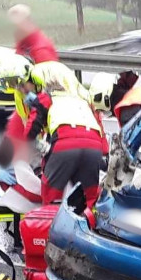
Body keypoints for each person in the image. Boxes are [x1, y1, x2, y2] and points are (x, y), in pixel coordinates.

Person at [23, 81, 108, 210]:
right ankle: (88, 226)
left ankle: (49, 226)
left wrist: (37, 145)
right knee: (88, 200)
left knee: (51, 196)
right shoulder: (82, 102)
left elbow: (30, 132)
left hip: (66, 145)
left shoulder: (48, 98)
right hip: (94, 147)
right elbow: (103, 141)